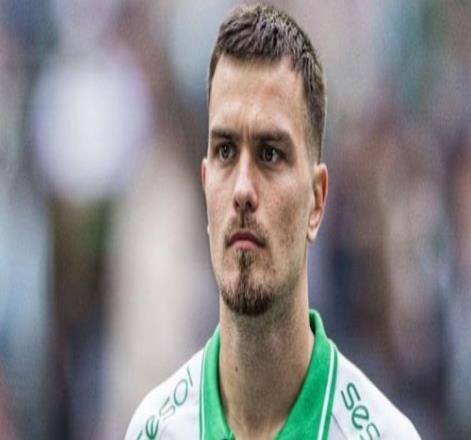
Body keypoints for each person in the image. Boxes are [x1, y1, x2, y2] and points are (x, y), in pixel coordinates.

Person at [125, 4, 420, 439]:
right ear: (205, 185)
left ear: (317, 201)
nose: (242, 189)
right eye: (226, 151)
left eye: (270, 153)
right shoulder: (154, 430)